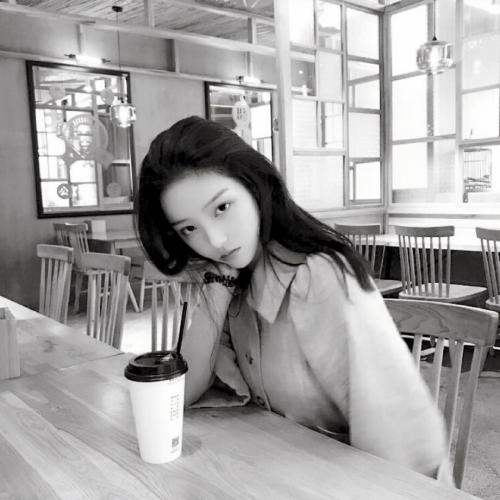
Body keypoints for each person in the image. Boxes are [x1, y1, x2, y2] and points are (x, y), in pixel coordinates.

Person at [137, 116, 452, 484]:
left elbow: (401, 446)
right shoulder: (233, 275)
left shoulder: (318, 276)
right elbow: (183, 393)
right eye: (189, 229)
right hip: (278, 475)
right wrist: (218, 284)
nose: (216, 240)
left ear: (254, 185)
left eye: (222, 208)